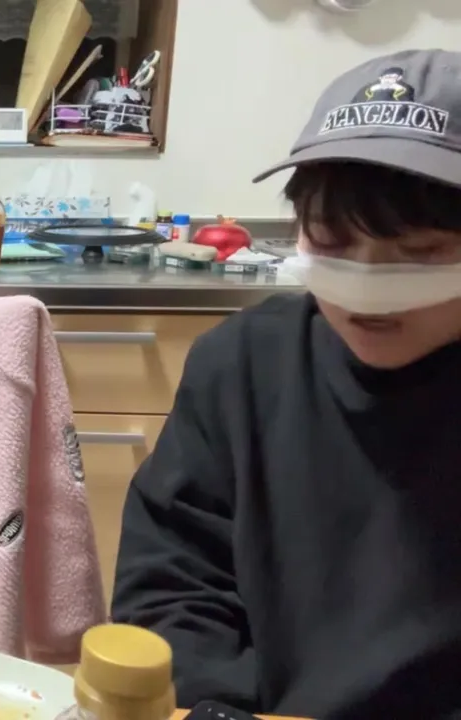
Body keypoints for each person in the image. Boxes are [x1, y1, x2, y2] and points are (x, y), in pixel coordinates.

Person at [111, 49, 461, 719]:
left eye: (420, 254)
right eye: (331, 242)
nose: (365, 287)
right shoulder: (241, 365)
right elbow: (174, 583)